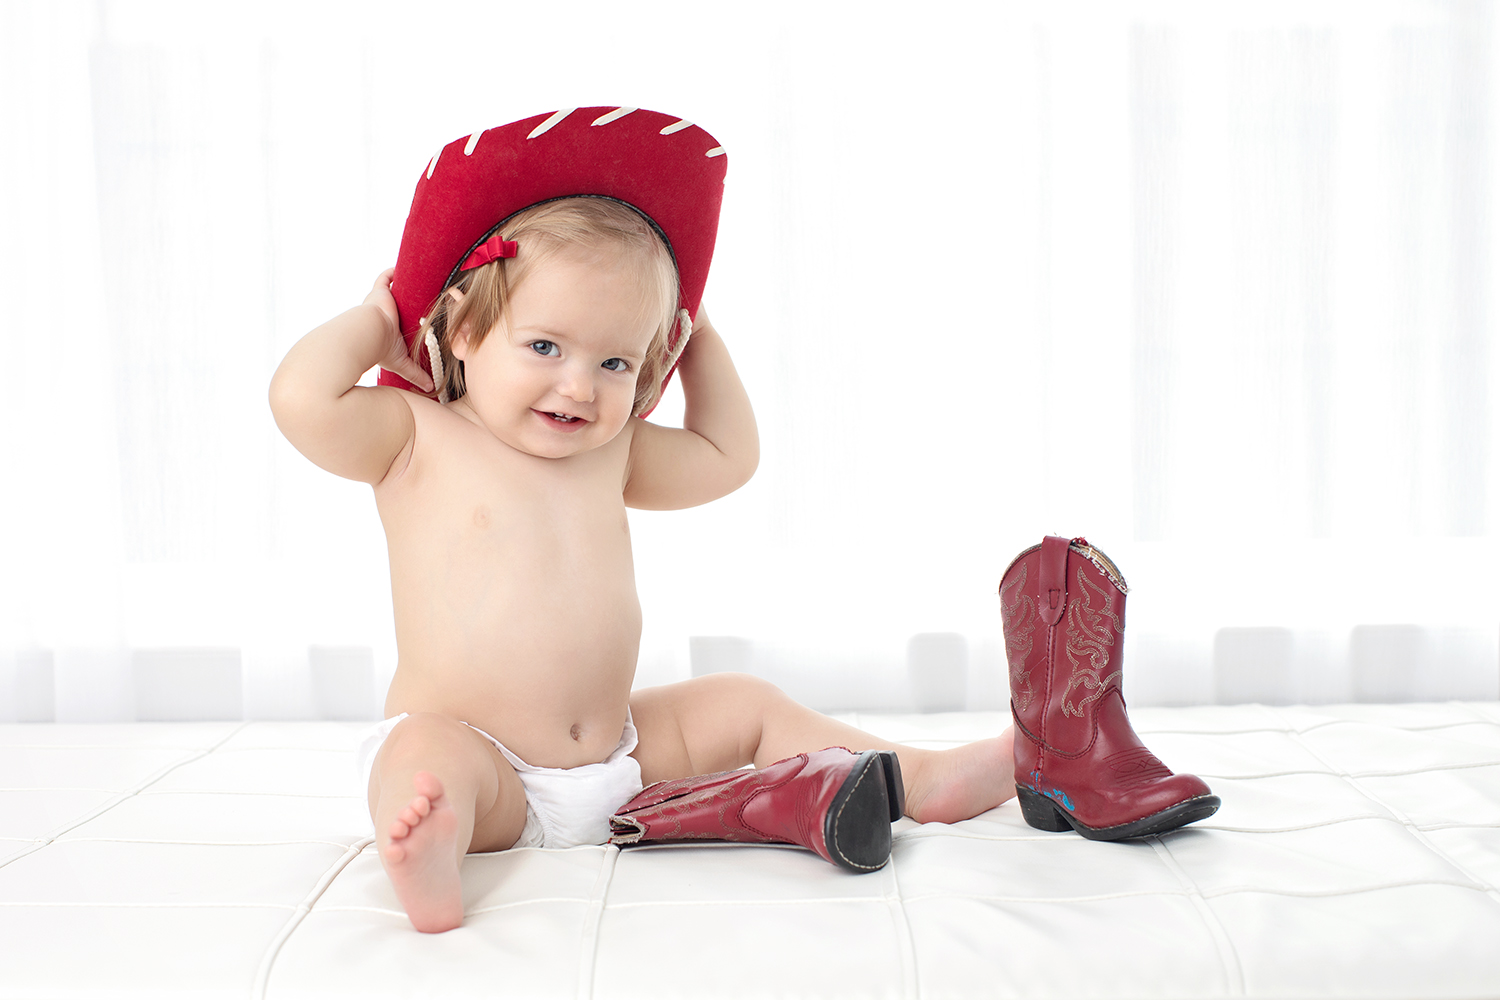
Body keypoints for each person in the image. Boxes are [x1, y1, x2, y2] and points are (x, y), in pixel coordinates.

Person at [268, 108, 1015, 933]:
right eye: (546, 347)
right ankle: (430, 845)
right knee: (424, 760)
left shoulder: (612, 450)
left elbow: (727, 457)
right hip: (485, 759)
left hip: (619, 756)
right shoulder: (415, 439)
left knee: (745, 700)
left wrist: (701, 345)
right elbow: (300, 401)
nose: (580, 387)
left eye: (615, 360)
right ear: (468, 330)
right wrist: (377, 320)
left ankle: (918, 778)